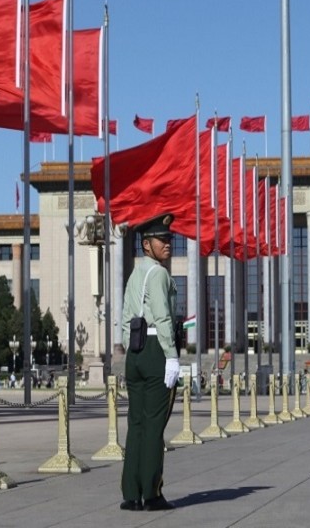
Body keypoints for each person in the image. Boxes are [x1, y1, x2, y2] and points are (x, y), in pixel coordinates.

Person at [120, 213, 180, 512]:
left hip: (135, 351)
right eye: (162, 239)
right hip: (156, 348)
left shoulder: (134, 274)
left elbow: (124, 317)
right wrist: (171, 356)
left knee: (137, 424)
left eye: (169, 239)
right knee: (154, 425)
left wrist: (128, 348)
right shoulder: (157, 274)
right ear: (146, 244)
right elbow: (164, 316)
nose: (168, 244)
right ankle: (152, 494)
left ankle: (131, 493)